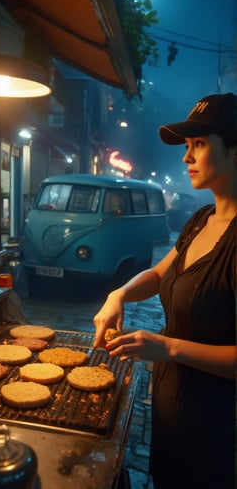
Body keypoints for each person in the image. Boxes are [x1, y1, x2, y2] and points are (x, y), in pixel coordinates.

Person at [93, 92, 236, 489]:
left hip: (216, 426)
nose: (186, 157)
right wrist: (118, 293)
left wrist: (166, 347)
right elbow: (159, 273)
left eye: (200, 145)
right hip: (171, 409)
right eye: (187, 147)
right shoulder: (199, 220)